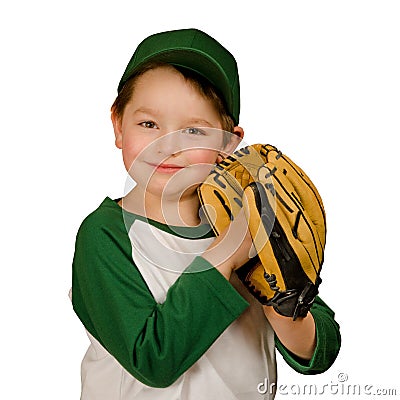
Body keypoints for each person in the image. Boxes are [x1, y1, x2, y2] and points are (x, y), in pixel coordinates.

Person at [71, 28, 341, 400]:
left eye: (194, 130)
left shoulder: (251, 217)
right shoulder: (105, 235)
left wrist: (286, 305)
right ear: (118, 124)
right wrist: (228, 255)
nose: (168, 146)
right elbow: (154, 359)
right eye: (149, 124)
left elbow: (320, 350)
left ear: (229, 143)